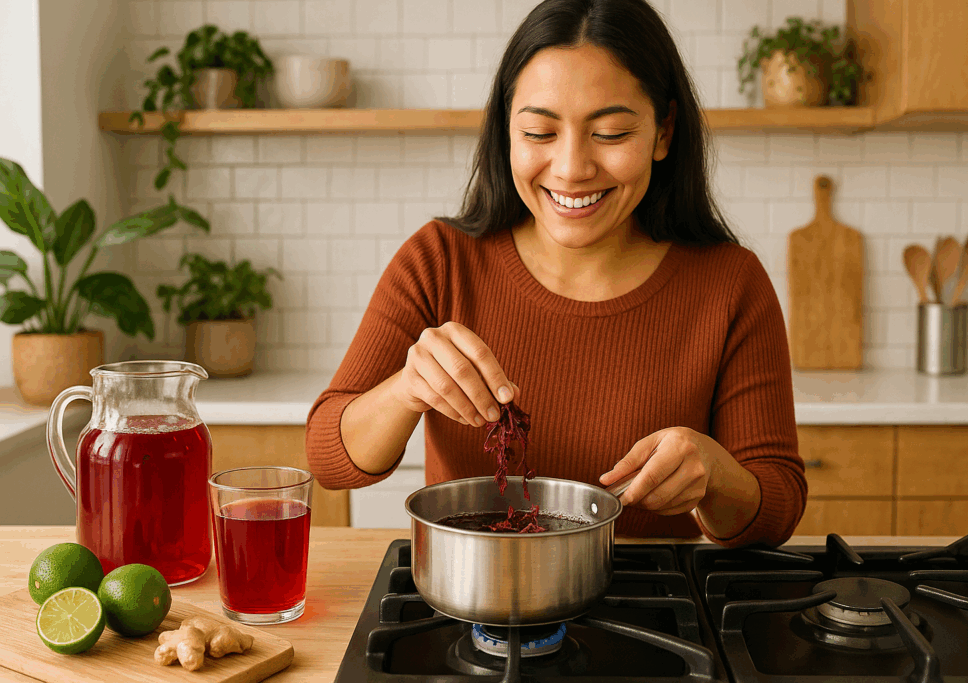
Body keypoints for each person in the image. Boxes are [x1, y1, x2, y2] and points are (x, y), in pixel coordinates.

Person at [306, 0, 806, 547]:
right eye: (540, 132)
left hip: (651, 595)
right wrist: (405, 390)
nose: (571, 169)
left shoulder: (730, 283)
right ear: (507, 132)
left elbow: (777, 507)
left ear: (664, 132)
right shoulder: (440, 261)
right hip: (473, 593)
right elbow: (329, 460)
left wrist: (715, 474)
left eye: (610, 133)